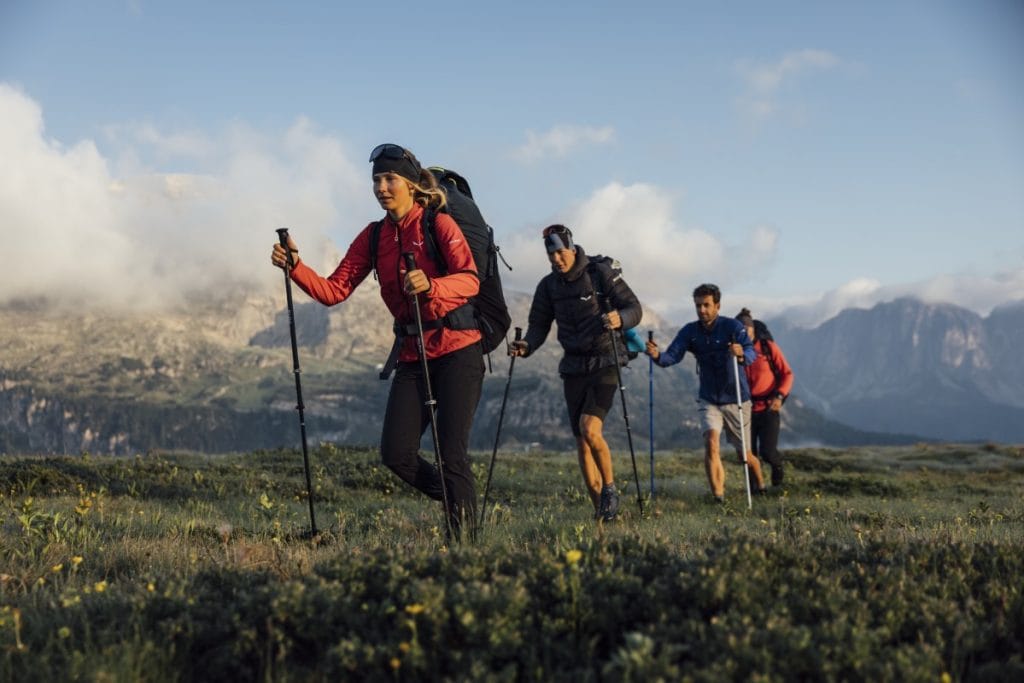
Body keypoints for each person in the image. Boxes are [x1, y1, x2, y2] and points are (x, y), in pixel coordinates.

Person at [271, 143, 483, 541]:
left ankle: (466, 544)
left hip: (458, 350)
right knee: (396, 454)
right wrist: (296, 267)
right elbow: (334, 290)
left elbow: (469, 279)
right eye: (377, 180)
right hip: (411, 354)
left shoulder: (437, 225)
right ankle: (459, 499)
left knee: (451, 453)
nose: (382, 187)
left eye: (390, 179)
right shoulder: (373, 237)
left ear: (410, 184)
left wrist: (432, 285)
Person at [508, 225, 642, 522]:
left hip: (606, 360)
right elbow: (539, 326)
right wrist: (527, 346)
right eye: (550, 253)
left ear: (571, 247)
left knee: (590, 428)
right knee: (582, 440)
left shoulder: (599, 274)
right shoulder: (548, 286)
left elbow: (634, 307)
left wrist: (621, 318)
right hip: (573, 366)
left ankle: (609, 490)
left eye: (559, 251)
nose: (556, 258)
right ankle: (601, 514)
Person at [645, 283, 766, 502]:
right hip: (709, 398)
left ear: (717, 306)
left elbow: (750, 352)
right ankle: (718, 497)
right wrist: (656, 356)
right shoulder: (690, 331)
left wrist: (740, 353)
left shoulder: (732, 327)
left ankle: (760, 486)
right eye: (698, 306)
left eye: (706, 305)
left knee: (744, 455)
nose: (702, 310)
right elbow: (672, 356)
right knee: (711, 442)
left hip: (736, 398)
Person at [735, 308, 794, 487]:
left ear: (753, 329)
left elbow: (787, 373)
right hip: (746, 410)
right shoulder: (735, 352)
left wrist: (780, 396)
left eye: (747, 330)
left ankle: (777, 474)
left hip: (769, 408)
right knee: (749, 454)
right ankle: (755, 489)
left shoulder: (768, 347)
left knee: (768, 452)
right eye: (740, 331)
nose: (744, 334)